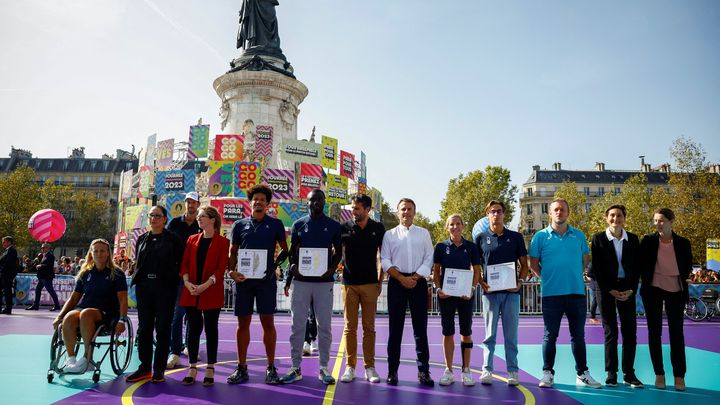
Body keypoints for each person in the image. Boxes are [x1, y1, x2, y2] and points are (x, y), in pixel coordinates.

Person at [529, 198, 602, 389]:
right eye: (556, 210)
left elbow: (584, 260)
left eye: (562, 209)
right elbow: (533, 264)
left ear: (568, 213)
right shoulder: (540, 237)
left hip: (576, 293)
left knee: (578, 336)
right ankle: (547, 373)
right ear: (550, 213)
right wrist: (547, 278)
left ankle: (582, 373)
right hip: (551, 294)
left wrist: (572, 275)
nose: (559, 212)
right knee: (549, 336)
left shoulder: (578, 235)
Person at [226, 184, 289, 385]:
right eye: (256, 200)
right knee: (242, 324)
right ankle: (241, 367)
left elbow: (286, 251)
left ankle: (271, 368)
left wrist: (276, 266)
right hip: (244, 282)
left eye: (263, 200)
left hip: (266, 282)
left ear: (268, 204)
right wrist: (232, 271)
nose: (259, 202)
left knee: (267, 324)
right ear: (250, 203)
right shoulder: (239, 225)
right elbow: (232, 252)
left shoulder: (276, 224)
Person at [281, 189, 342, 385]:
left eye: (320, 200)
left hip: (324, 283)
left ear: (324, 202)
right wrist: (293, 269)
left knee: (324, 326)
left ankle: (324, 368)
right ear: (306, 202)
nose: (317, 203)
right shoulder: (299, 224)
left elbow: (339, 252)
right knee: (297, 325)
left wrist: (331, 269)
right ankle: (295, 367)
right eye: (313, 200)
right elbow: (292, 252)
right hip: (302, 282)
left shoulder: (333, 226)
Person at [51, 239, 128, 374]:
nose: (99, 253)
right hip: (85, 309)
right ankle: (71, 359)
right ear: (91, 253)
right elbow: (74, 298)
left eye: (102, 251)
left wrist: (122, 320)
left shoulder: (117, 273)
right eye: (95, 251)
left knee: (86, 313)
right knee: (69, 317)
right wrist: (60, 316)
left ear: (108, 253)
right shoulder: (85, 273)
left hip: (107, 311)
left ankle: (88, 359)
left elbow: (122, 299)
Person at [125, 206, 183, 383]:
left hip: (165, 289)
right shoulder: (142, 238)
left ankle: (159, 369)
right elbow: (138, 261)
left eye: (158, 216)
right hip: (144, 289)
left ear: (165, 219)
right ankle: (144, 368)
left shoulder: (174, 239)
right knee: (144, 330)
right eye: (151, 216)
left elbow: (181, 263)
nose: (154, 219)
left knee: (163, 329)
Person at [381, 198, 435, 386]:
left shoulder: (424, 233)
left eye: (410, 209)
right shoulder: (389, 235)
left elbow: (429, 258)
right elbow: (385, 260)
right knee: (395, 330)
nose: (406, 212)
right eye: (403, 209)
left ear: (414, 211)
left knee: (420, 330)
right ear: (398, 212)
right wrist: (401, 278)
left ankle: (424, 372)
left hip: (418, 283)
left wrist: (415, 277)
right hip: (397, 283)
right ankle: (392, 371)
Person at [475, 201, 528, 386]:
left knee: (510, 335)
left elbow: (525, 265)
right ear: (487, 214)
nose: (495, 214)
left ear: (504, 214)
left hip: (511, 294)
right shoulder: (481, 238)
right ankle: (487, 370)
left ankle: (513, 371)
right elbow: (475, 266)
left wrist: (519, 282)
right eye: (492, 211)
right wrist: (481, 281)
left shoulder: (515, 237)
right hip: (490, 294)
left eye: (499, 211)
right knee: (489, 335)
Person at [590, 204, 643, 388]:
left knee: (630, 332)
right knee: (610, 332)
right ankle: (611, 373)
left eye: (619, 215)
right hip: (605, 289)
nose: (615, 219)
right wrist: (609, 289)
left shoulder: (634, 239)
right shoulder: (598, 239)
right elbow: (597, 268)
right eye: (612, 215)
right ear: (607, 218)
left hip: (627, 288)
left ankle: (629, 373)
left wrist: (631, 290)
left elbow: (637, 268)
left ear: (624, 218)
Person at [640, 208, 692, 391]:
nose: (658, 224)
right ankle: (659, 374)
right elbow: (641, 265)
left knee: (676, 334)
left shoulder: (684, 243)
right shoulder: (647, 241)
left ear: (671, 221)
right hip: (653, 289)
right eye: (655, 221)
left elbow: (687, 267)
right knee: (654, 334)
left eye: (661, 220)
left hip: (676, 290)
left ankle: (679, 375)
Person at [178, 206, 229, 387]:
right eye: (199, 216)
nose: (198, 219)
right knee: (192, 329)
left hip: (211, 292)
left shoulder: (223, 242)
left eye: (202, 216)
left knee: (211, 329)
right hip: (191, 291)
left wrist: (205, 285)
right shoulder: (192, 239)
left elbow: (220, 268)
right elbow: (184, 264)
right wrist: (186, 282)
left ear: (212, 220)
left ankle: (210, 368)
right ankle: (192, 366)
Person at [338, 194, 386, 383]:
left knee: (369, 328)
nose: (353, 211)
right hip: (349, 284)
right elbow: (335, 253)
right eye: (352, 208)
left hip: (370, 284)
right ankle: (350, 367)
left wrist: (380, 281)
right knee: (350, 327)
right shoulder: (344, 228)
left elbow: (384, 255)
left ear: (367, 210)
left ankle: (370, 367)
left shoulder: (378, 228)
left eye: (357, 208)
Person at [433, 214, 485, 386]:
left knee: (466, 333)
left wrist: (471, 289)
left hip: (465, 296)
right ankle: (448, 370)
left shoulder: (471, 247)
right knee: (448, 332)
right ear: (447, 227)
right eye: (451, 224)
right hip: (446, 296)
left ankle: (466, 370)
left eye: (458, 224)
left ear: (463, 226)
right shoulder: (440, 247)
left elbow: (477, 270)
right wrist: (439, 289)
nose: (455, 227)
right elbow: (436, 271)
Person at [166, 191, 202, 369]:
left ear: (198, 205)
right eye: (188, 202)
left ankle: (189, 345)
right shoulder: (174, 223)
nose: (191, 205)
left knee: (193, 314)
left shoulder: (201, 225)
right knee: (178, 314)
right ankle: (174, 350)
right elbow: (167, 246)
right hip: (178, 276)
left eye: (194, 202)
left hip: (196, 276)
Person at [27, 242, 61, 311]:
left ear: (47, 248)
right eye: (41, 248)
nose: (42, 249)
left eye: (43, 247)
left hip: (47, 276)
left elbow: (49, 265)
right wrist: (37, 263)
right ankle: (36, 305)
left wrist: (40, 265)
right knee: (38, 290)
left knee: (50, 290)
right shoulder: (42, 256)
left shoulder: (50, 255)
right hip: (42, 276)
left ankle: (57, 305)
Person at [1, 236, 19, 314]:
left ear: (9, 242)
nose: (3, 244)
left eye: (4, 242)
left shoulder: (12, 251)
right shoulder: (7, 251)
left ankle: (8, 309)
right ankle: (5, 308)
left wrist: (1, 271)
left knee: (7, 291)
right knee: (5, 291)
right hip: (4, 274)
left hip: (7, 274)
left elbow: (8, 263)